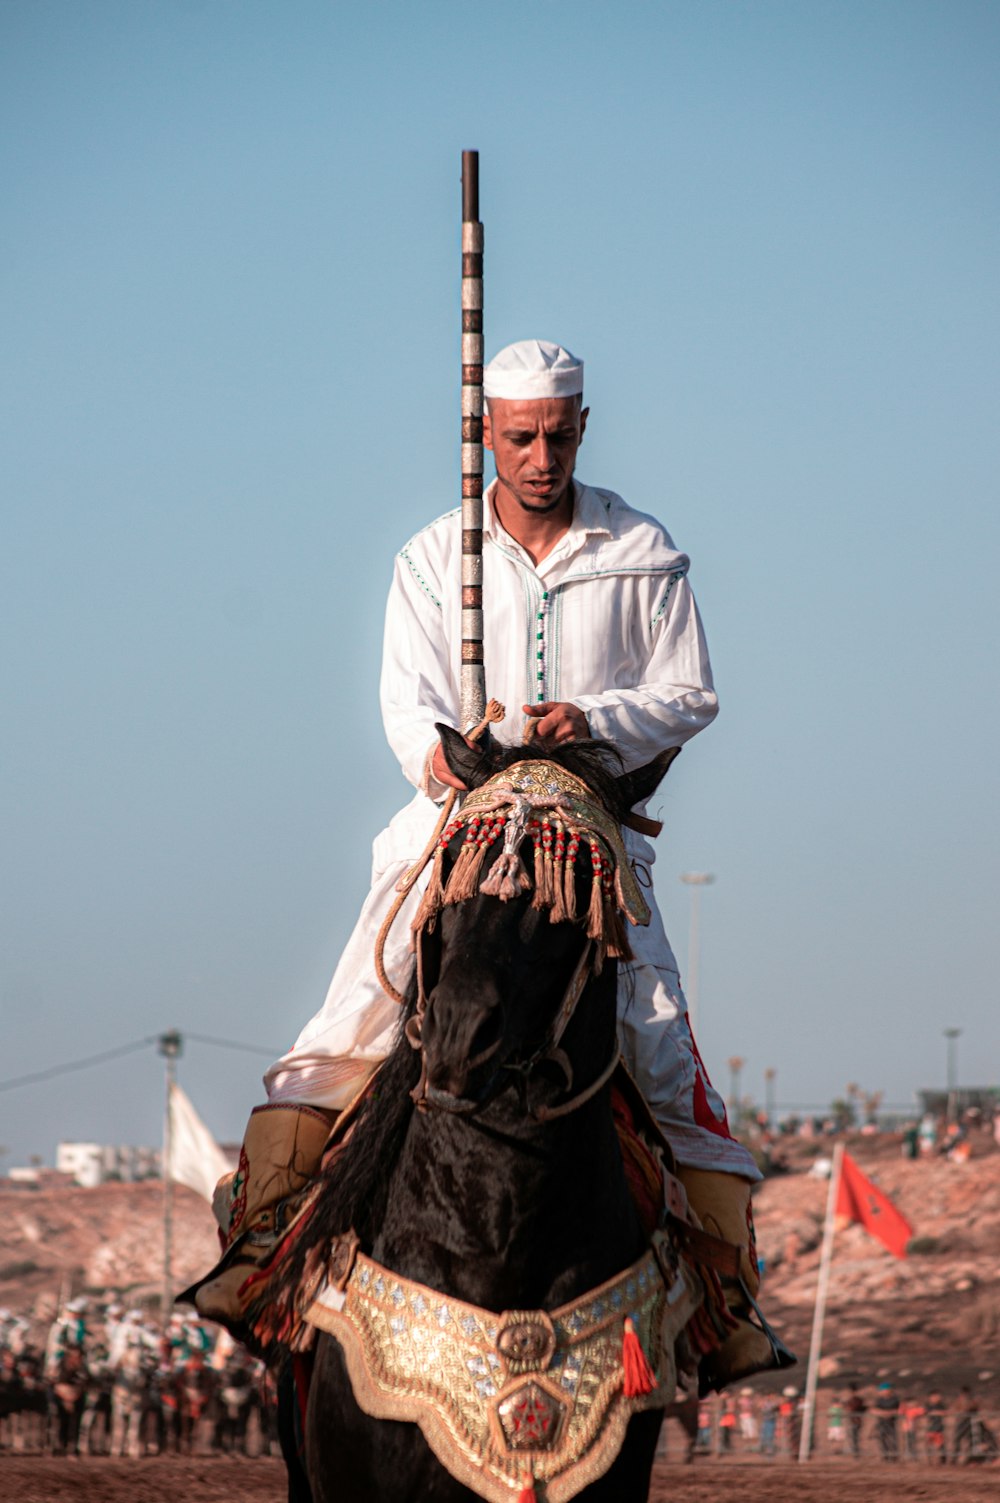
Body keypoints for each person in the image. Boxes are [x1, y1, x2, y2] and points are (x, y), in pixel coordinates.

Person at [192, 339, 785, 1388]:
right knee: (348, 1025)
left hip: (584, 831)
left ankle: (722, 1297)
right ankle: (263, 1253)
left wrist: (593, 721)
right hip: (453, 825)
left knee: (657, 1043)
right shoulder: (433, 557)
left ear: (584, 428)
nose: (540, 455)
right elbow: (403, 703)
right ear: (487, 437)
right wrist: (440, 754)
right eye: (519, 437)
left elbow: (690, 692)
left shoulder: (640, 548)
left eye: (557, 435)